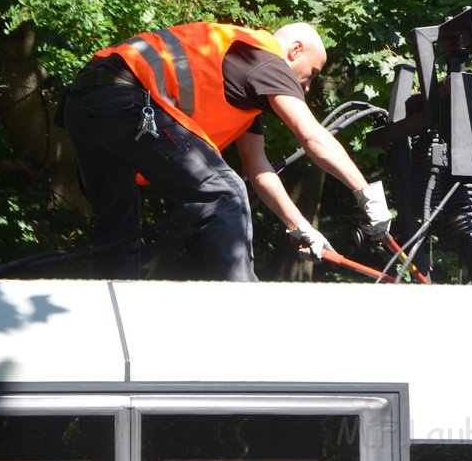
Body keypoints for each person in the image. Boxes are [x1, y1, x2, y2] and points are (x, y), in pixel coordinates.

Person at [59, 21, 391, 281]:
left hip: (86, 103)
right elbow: (312, 137)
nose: (306, 87)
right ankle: (242, 308)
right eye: (311, 75)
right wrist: (366, 194)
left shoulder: (245, 87)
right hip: (127, 99)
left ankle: (114, 310)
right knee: (226, 192)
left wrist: (299, 225)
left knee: (119, 221)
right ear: (294, 50)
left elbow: (259, 170)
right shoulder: (265, 58)